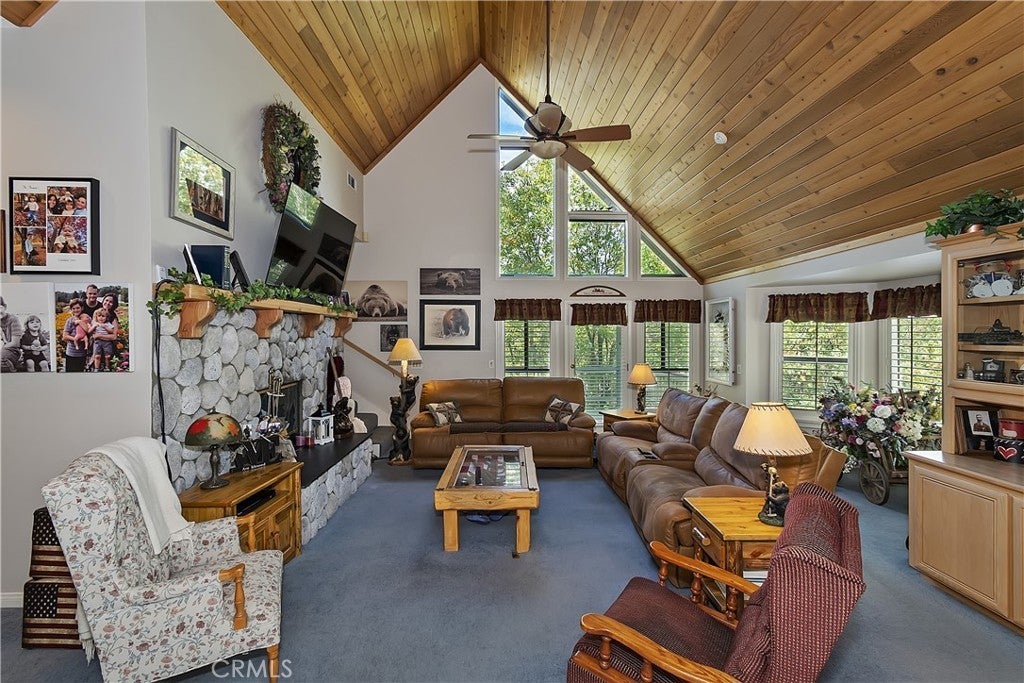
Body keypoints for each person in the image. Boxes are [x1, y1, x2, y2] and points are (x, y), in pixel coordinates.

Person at [60, 298, 90, 372]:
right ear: (71, 309)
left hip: (83, 353)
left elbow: (89, 331)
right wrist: (76, 339)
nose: (76, 310)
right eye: (73, 308)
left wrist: (80, 322)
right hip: (71, 353)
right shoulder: (70, 321)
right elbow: (65, 336)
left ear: (82, 308)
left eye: (78, 308)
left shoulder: (87, 318)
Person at [0, 297, 24, 373]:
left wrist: (2, 348)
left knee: (2, 361)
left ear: (5, 307)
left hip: (11, 349)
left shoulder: (13, 320)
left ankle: (12, 371)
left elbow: (15, 343)